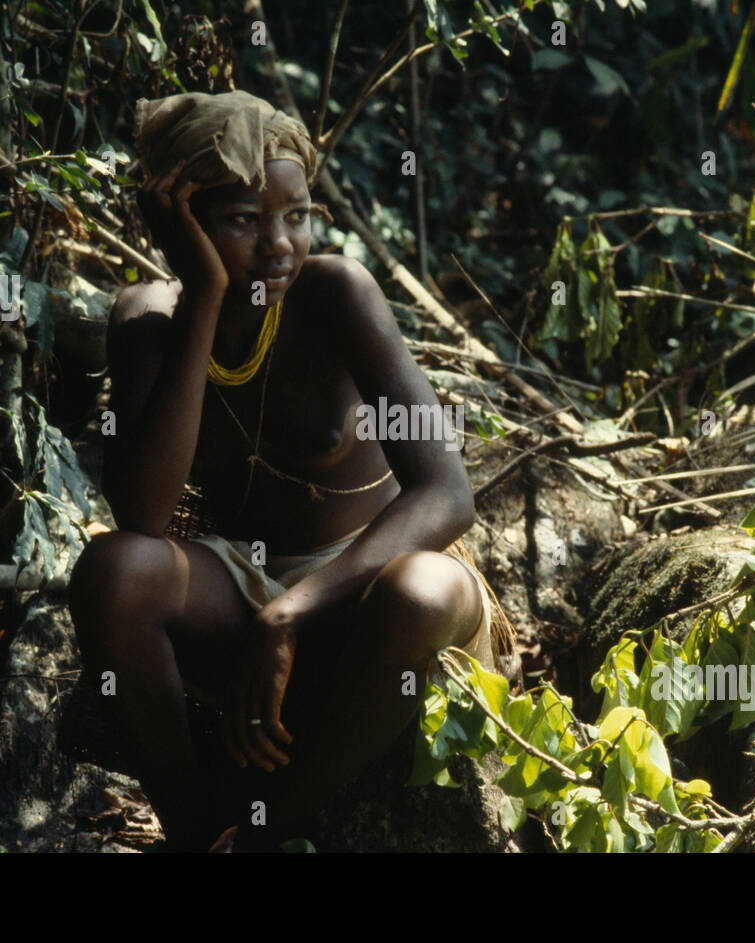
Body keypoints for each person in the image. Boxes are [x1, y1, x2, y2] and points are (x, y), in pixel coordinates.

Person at [68, 89, 511, 852]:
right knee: (114, 570)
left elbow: (448, 492)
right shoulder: (148, 320)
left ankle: (263, 834)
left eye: (297, 215)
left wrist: (291, 611)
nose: (279, 243)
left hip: (369, 588)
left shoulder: (337, 295)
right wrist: (204, 294)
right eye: (243, 220)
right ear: (185, 222)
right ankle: (197, 829)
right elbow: (142, 515)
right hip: (245, 585)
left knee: (424, 589)